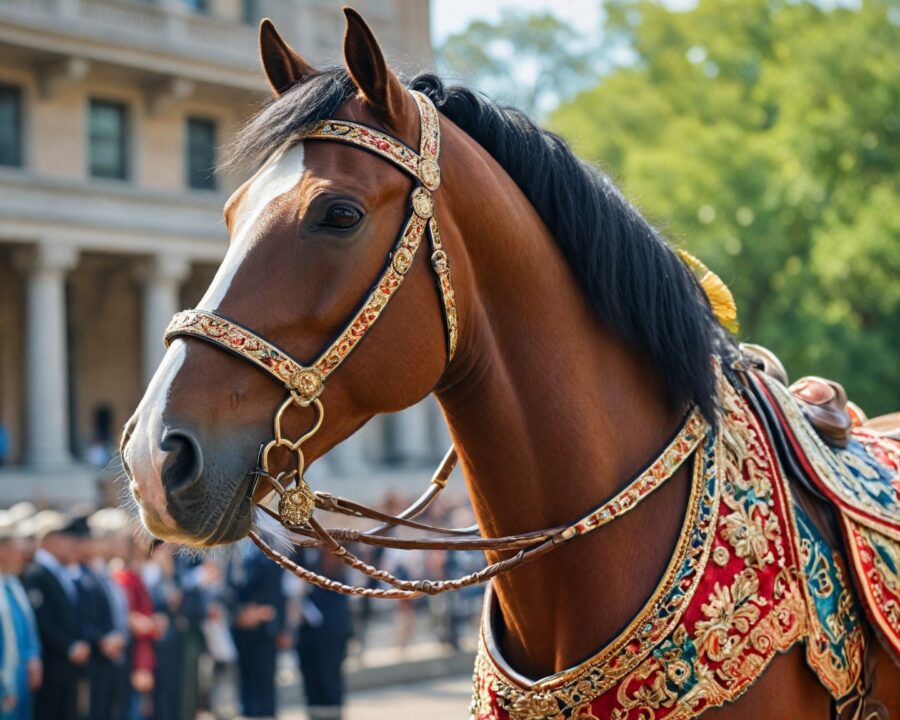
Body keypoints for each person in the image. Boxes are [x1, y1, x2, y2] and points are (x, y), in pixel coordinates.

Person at [21, 512, 91, 720]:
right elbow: (41, 620)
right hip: (51, 665)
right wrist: (69, 646)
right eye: (63, 538)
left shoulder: (58, 571)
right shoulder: (35, 573)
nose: (70, 545)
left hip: (66, 666)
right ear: (49, 540)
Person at [226, 539, 286, 719]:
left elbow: (278, 590)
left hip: (265, 628)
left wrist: (267, 615)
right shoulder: (230, 548)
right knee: (246, 688)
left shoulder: (270, 545)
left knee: (264, 688)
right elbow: (228, 587)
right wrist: (239, 613)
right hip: (240, 628)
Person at [297, 550, 352, 720]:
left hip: (331, 632)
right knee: (313, 683)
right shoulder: (303, 556)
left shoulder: (335, 569)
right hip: (308, 635)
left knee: (329, 681)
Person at [0, 513, 42, 720]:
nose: (21, 556)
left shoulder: (12, 584)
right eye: (16, 550)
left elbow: (26, 628)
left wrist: (33, 657)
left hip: (21, 678)